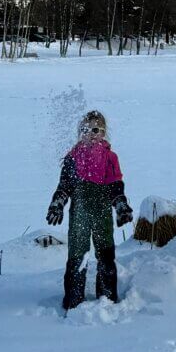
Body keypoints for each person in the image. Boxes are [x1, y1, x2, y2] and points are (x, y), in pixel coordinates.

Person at [47, 110, 133, 311]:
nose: (91, 134)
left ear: (103, 133)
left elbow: (115, 185)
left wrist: (120, 205)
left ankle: (108, 298)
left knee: (105, 254)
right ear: (80, 132)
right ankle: (73, 300)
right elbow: (64, 186)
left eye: (96, 130)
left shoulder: (110, 158)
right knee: (77, 255)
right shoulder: (73, 158)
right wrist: (57, 203)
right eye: (86, 130)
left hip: (102, 212)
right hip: (79, 213)